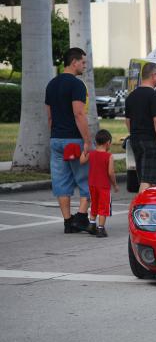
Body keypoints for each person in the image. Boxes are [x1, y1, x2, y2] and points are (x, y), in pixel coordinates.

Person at [45, 47, 92, 234]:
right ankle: (81, 217)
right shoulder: (77, 85)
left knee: (61, 182)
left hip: (56, 139)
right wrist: (87, 141)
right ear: (74, 62)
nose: (84, 66)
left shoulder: (51, 84)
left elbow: (49, 117)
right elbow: (79, 114)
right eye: (83, 62)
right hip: (73, 140)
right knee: (85, 178)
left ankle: (67, 221)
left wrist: (55, 135)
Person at [125, 62, 156, 193]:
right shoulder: (155, 96)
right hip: (151, 141)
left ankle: (149, 207)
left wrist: (134, 134)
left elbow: (127, 121)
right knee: (148, 179)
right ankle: (140, 208)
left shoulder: (131, 96)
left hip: (135, 139)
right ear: (153, 76)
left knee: (145, 177)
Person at [80, 129, 118, 238]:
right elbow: (111, 172)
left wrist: (85, 151)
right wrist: (114, 184)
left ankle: (92, 224)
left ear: (96, 142)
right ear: (108, 143)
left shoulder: (91, 154)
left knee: (94, 204)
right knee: (103, 207)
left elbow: (81, 161)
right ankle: (101, 228)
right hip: (104, 186)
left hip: (92, 184)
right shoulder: (109, 156)